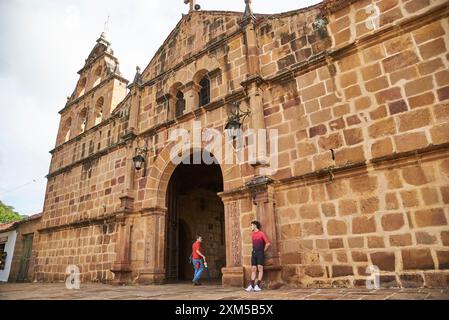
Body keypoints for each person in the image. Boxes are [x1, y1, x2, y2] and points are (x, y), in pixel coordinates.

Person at [245, 220, 271, 292]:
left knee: (260, 268)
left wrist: (263, 251)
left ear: (255, 226)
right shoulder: (252, 234)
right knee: (253, 268)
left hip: (260, 253)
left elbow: (268, 243)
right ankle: (251, 285)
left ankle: (257, 285)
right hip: (254, 253)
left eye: (252, 225)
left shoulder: (261, 233)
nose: (251, 227)